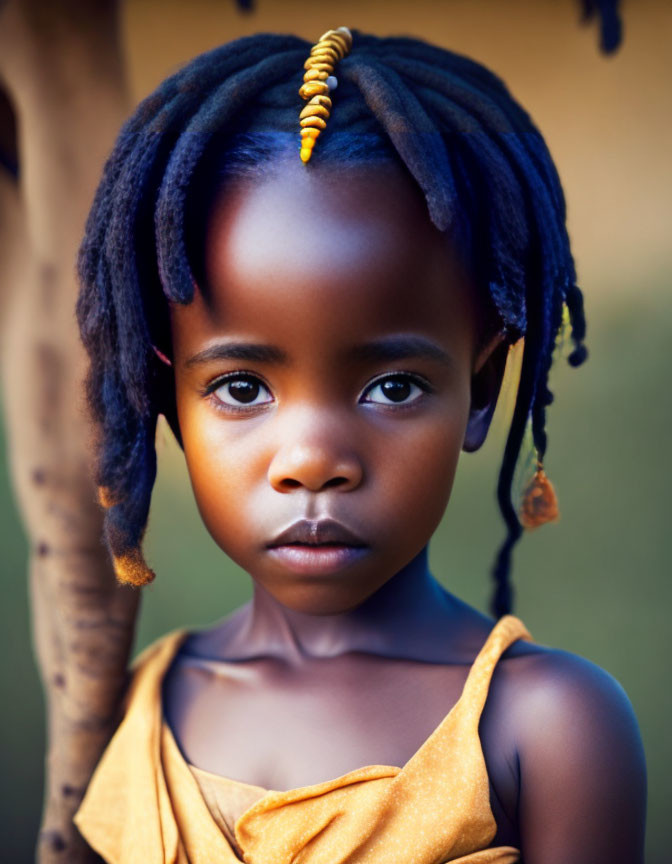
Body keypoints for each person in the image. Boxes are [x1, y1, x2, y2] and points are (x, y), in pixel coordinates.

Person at [72, 27, 646, 864]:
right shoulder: (131, 712)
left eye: (393, 386)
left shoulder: (544, 728)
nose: (311, 460)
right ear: (166, 398)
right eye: (241, 389)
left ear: (481, 390)